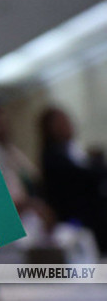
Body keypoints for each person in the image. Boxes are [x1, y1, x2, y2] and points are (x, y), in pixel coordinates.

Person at [39, 106, 107, 251]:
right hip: (79, 219)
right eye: (61, 123)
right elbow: (84, 177)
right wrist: (98, 165)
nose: (68, 126)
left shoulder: (71, 149)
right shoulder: (53, 156)